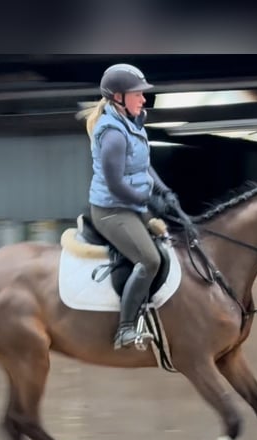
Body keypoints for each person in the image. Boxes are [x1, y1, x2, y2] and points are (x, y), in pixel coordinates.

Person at [77, 63, 181, 349]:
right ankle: (125, 328)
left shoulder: (133, 123)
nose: (143, 99)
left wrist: (164, 191)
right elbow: (116, 185)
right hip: (111, 211)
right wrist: (148, 201)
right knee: (150, 259)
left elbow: (144, 166)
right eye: (138, 94)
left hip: (131, 205)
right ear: (118, 97)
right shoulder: (112, 134)